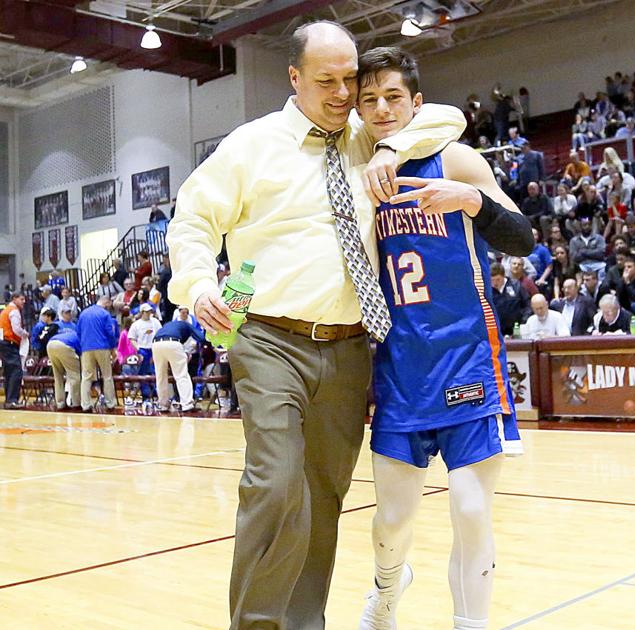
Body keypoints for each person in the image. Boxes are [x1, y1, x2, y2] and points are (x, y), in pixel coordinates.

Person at [166, 23, 466, 629]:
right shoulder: (251, 146)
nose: (340, 93)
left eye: (349, 79)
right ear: (294, 77)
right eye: (325, 81)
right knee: (275, 484)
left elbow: (448, 118)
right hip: (269, 338)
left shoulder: (368, 135)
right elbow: (194, 221)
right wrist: (198, 285)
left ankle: (305, 624)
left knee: (324, 496)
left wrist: (388, 149)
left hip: (352, 345)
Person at [349, 48, 534, 630]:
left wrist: (472, 201)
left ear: (416, 103)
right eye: (370, 99)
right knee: (390, 524)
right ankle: (387, 586)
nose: (382, 109)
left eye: (394, 97)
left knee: (471, 508)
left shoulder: (454, 156)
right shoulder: (357, 169)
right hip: (400, 367)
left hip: (467, 358)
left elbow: (523, 237)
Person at [150, 310, 203, 412]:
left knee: (160, 376)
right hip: (173, 343)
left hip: (156, 344)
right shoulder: (187, 325)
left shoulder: (169, 324)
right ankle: (187, 404)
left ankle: (163, 404)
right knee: (181, 375)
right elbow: (201, 337)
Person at [78, 296, 118, 412]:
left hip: (86, 348)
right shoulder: (104, 314)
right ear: (107, 302)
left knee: (86, 377)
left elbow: (78, 332)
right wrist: (112, 348)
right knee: (107, 376)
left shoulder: (84, 313)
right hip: (102, 347)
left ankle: (85, 404)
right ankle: (110, 403)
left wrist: (83, 345)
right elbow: (110, 332)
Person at [0, 293, 27, 408]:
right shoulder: (14, 311)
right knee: (16, 371)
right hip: (9, 343)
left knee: (9, 372)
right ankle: (12, 400)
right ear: (14, 299)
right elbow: (16, 328)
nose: (24, 301)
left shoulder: (5, 310)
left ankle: (9, 399)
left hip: (3, 342)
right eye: (21, 299)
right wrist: (25, 334)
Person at [45, 323, 81, 410]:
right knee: (75, 375)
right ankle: (76, 403)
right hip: (65, 345)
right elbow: (81, 354)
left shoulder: (71, 333)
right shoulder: (82, 337)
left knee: (58, 376)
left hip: (50, 344)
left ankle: (60, 403)